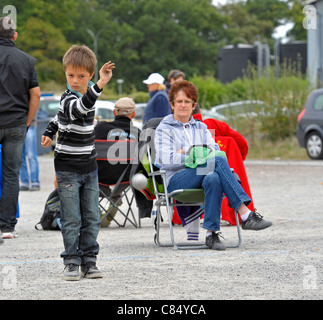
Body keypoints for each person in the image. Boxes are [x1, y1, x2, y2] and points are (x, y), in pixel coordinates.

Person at [154, 80, 272, 251]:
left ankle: (211, 234)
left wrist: (186, 153)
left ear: (194, 105)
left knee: (214, 177)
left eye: (187, 101)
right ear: (172, 105)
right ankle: (245, 213)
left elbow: (215, 150)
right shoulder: (164, 129)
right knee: (215, 162)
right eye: (179, 101)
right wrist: (194, 154)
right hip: (177, 180)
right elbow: (166, 160)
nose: (183, 105)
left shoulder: (201, 128)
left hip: (202, 175)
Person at [41, 44, 115, 281]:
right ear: (65, 74)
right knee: (72, 218)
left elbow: (58, 118)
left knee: (92, 217)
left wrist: (49, 130)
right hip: (67, 169)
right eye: (70, 75)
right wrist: (100, 85)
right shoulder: (67, 99)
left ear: (89, 75)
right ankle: (71, 261)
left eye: (81, 76)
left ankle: (89, 261)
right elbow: (81, 108)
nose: (75, 80)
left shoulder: (85, 96)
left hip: (89, 167)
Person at [0, 17, 41, 240]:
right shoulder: (26, 60)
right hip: (16, 123)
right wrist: (26, 122)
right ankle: (7, 227)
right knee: (11, 175)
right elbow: (35, 94)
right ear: (14, 36)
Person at [94, 97, 140, 227]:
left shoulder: (100, 128)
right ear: (133, 114)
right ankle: (115, 197)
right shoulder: (138, 133)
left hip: (99, 179)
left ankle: (97, 208)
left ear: (114, 113)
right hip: (125, 181)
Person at [20, 117, 40, 191]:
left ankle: (35, 182)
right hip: (18, 126)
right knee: (20, 156)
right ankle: (24, 182)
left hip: (30, 124)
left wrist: (28, 122)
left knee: (31, 155)